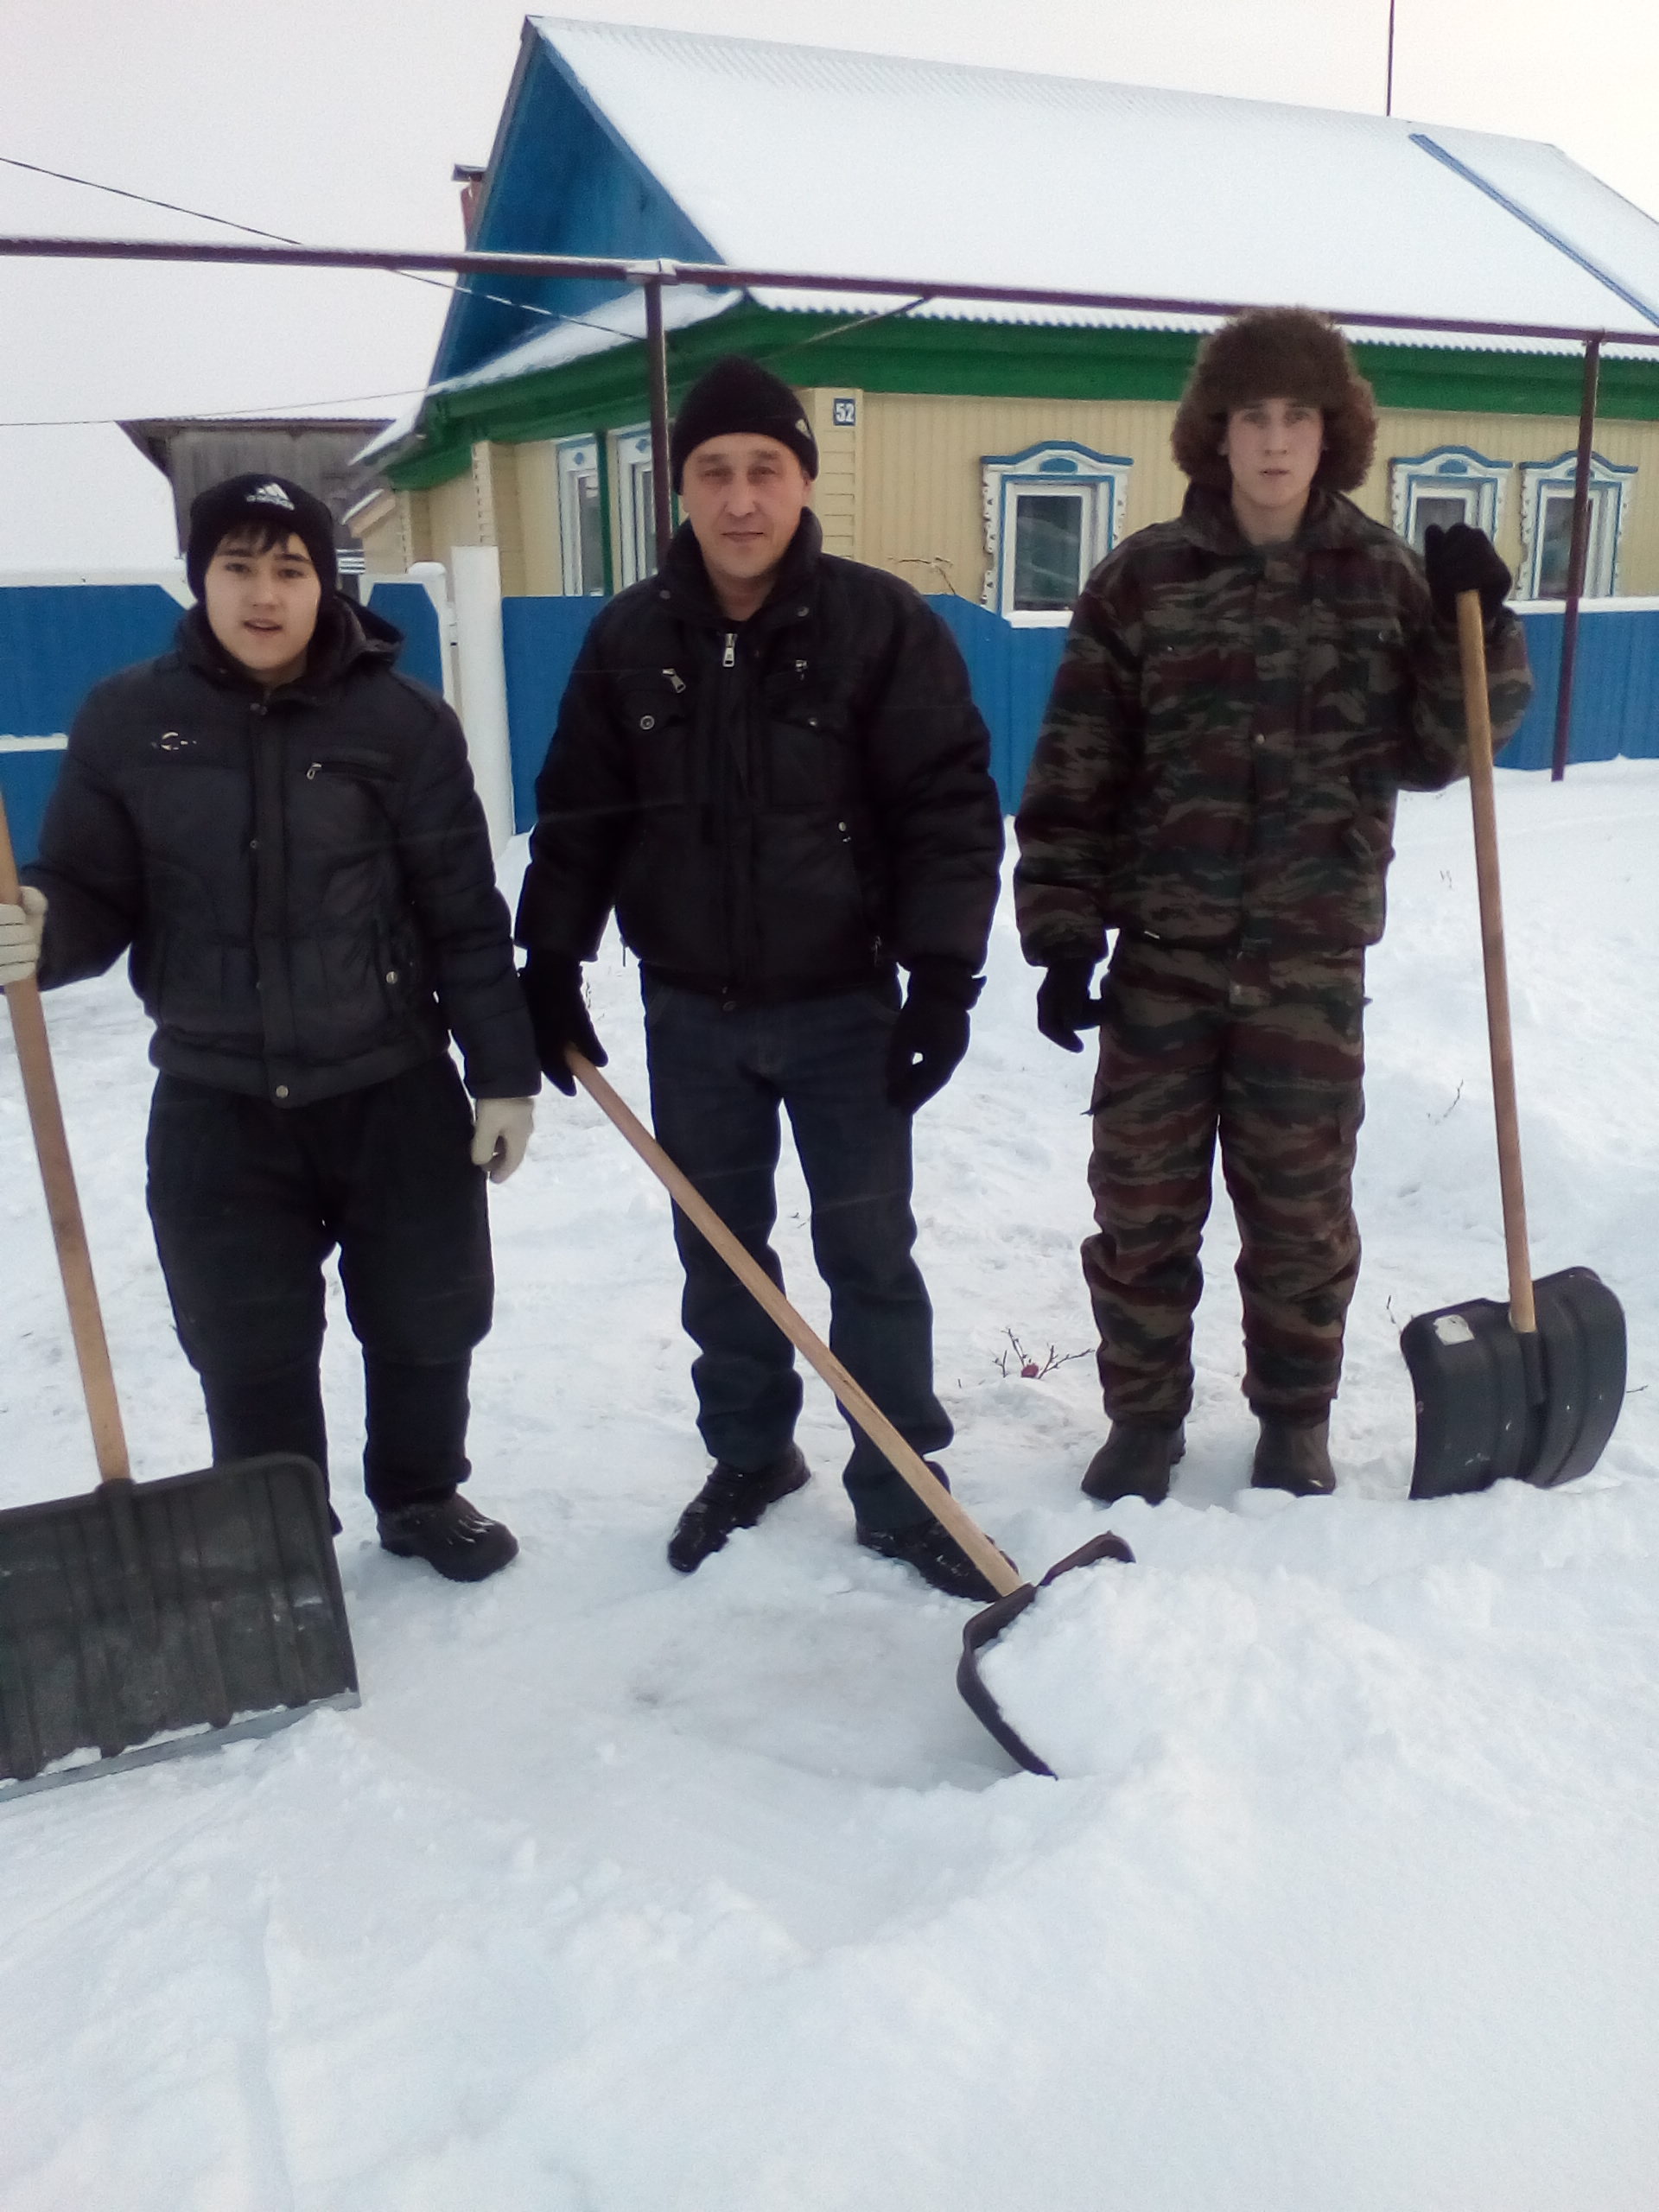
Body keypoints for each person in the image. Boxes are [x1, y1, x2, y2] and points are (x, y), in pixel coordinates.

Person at [1014, 308, 1533, 1504]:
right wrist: (1059, 929)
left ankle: (1294, 1416)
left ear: (1333, 432)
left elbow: (1451, 743)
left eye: (1300, 416)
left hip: (1308, 964)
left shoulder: (1386, 578)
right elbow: (1075, 768)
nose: (1276, 440)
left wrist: (1484, 624)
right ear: (1218, 432)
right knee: (1140, 1208)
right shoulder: (1141, 581)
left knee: (1300, 1216)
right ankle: (1143, 1419)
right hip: (1165, 959)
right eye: (1254, 415)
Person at [516, 356, 1004, 1596]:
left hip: (845, 1007)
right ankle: (750, 1454)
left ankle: (902, 1485)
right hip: (690, 1012)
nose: (741, 500)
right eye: (715, 473)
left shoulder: (882, 625)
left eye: (765, 472)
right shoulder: (629, 638)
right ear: (681, 488)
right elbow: (580, 813)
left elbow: (946, 808)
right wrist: (552, 959)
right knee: (720, 1248)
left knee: (869, 1255)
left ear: (803, 481)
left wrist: (942, 978)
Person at [5, 474, 537, 1580]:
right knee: (245, 1342)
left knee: (429, 1316)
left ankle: (423, 1494)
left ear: (323, 582)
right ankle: (279, 1529)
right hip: (217, 1097)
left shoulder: (403, 723)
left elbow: (462, 914)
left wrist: (504, 1073)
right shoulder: (128, 721)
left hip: (390, 1080)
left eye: (289, 568)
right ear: (198, 580)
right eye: (238, 566)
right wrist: (44, 927)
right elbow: (92, 893)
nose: (263, 593)